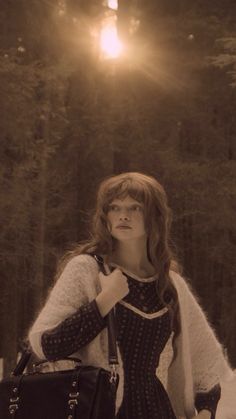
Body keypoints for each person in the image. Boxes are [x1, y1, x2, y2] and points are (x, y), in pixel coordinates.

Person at [28, 172, 234, 419]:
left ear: (154, 217)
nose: (123, 215)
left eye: (135, 207)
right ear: (105, 217)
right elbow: (48, 346)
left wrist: (206, 411)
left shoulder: (170, 285)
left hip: (157, 410)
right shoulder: (86, 269)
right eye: (114, 208)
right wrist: (105, 301)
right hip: (99, 410)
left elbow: (204, 364)